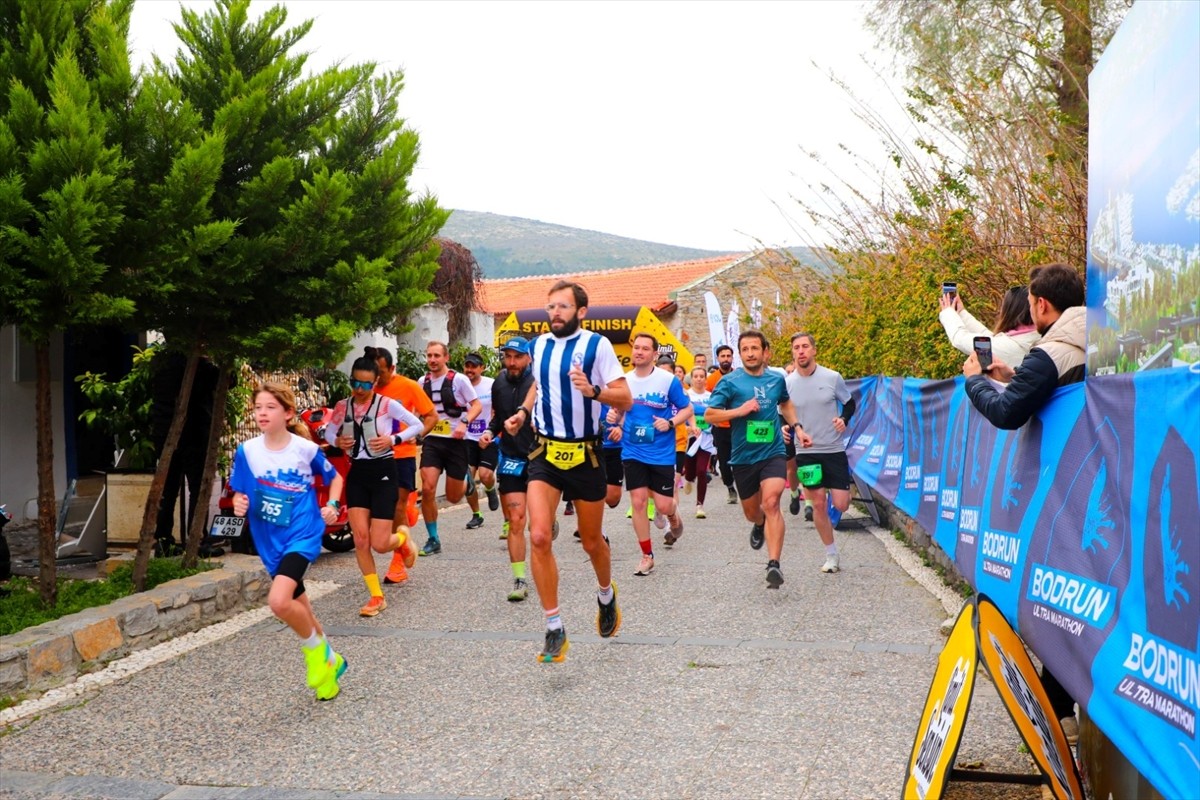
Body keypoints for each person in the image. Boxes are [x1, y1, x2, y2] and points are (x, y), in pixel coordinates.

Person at [963, 262, 1086, 742]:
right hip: (1094, 489)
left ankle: (1059, 712)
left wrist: (976, 380)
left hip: (1065, 496)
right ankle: (1058, 705)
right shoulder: (1090, 339)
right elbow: (1052, 383)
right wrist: (1015, 374)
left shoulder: (1051, 350)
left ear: (1038, 304)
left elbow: (1008, 411)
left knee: (1060, 602)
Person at [503, 280, 631, 663]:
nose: (555, 313)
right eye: (550, 307)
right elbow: (537, 388)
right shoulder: (538, 346)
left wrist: (593, 391)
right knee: (539, 536)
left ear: (581, 311)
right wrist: (523, 413)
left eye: (562, 307)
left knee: (592, 542)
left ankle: (606, 595)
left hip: (586, 454)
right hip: (544, 451)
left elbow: (624, 396)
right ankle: (554, 627)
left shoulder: (598, 346)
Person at [230, 382, 347, 700]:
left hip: (302, 533)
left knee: (280, 602)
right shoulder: (247, 451)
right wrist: (240, 501)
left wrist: (332, 506)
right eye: (258, 408)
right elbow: (240, 490)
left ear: (288, 413)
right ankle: (332, 664)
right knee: (302, 608)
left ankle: (314, 654)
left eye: (270, 407)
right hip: (269, 540)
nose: (262, 413)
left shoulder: (304, 449)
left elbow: (334, 478)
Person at [328, 353, 426, 617]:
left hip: (384, 471)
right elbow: (328, 430)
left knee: (381, 544)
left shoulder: (387, 404)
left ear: (375, 382)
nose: (360, 390)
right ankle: (376, 596)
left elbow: (416, 425)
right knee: (361, 540)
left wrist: (393, 439)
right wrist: (337, 442)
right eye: (355, 383)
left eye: (366, 384)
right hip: (358, 473)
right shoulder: (342, 406)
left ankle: (404, 539)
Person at [705, 331, 804, 589]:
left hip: (772, 452)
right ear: (740, 354)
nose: (750, 353)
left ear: (765, 352)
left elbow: (785, 404)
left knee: (771, 502)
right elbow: (710, 415)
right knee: (753, 512)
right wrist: (741, 410)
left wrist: (797, 427)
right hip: (743, 458)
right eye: (745, 349)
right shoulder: (730, 382)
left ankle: (774, 564)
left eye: (754, 348)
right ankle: (759, 524)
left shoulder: (776, 379)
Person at [615, 334, 692, 576]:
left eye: (644, 348)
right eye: (636, 347)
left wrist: (669, 423)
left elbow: (687, 408)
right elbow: (617, 412)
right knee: (638, 502)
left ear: (654, 354)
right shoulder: (623, 381)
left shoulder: (668, 380)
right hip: (633, 449)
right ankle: (647, 555)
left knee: (663, 503)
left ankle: (672, 512)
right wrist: (614, 420)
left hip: (661, 452)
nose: (638, 352)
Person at [786, 333, 856, 574]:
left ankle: (832, 493)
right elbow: (782, 412)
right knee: (817, 504)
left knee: (841, 503)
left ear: (814, 350)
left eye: (805, 346)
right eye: (796, 348)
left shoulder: (832, 377)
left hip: (833, 449)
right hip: (806, 451)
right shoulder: (787, 383)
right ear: (793, 353)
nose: (801, 351)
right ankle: (831, 554)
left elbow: (849, 403)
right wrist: (786, 428)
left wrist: (843, 419)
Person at [371, 346, 437, 584]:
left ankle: (398, 563)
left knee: (397, 506)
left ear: (392, 368)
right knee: (375, 511)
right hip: (372, 458)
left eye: (380, 372)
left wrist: (418, 437)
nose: (376, 378)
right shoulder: (365, 389)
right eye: (372, 372)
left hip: (401, 455)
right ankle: (409, 517)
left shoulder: (408, 386)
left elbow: (431, 416)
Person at [479, 339, 536, 601]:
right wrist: (490, 432)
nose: (511, 362)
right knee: (516, 520)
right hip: (512, 457)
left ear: (529, 358)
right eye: (508, 356)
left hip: (540, 458)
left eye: (518, 357)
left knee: (538, 525)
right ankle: (520, 578)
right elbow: (496, 417)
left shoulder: (539, 382)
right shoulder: (498, 383)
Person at [149, 352, 222, 556]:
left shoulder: (159, 361)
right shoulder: (200, 364)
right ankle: (197, 541)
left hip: (165, 433)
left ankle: (163, 542)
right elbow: (225, 380)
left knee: (168, 490)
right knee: (199, 488)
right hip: (195, 434)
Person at [417, 341, 483, 555]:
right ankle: (433, 538)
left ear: (446, 357)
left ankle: (466, 480)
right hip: (433, 441)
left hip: (456, 442)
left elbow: (477, 405)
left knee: (454, 497)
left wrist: (464, 423)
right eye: (429, 356)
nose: (432, 360)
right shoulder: (422, 382)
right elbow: (414, 409)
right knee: (427, 489)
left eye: (437, 355)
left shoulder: (459, 380)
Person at [940, 284, 1040, 367]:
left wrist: (948, 312)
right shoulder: (1032, 338)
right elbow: (989, 338)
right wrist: (961, 313)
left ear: (1010, 311)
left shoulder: (1011, 347)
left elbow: (960, 339)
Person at [462, 352, 501, 530]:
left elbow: (497, 409)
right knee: (467, 481)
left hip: (486, 436)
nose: (470, 370)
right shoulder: (459, 384)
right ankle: (476, 514)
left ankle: (491, 489)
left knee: (485, 475)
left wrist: (493, 430)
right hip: (466, 438)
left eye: (473, 366)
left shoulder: (490, 385)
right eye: (467, 366)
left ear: (482, 368)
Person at [706, 344, 739, 504]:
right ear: (718, 358)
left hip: (738, 425)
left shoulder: (740, 376)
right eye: (723, 356)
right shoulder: (711, 380)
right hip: (720, 426)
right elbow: (708, 402)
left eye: (728, 356)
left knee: (740, 458)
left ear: (732, 358)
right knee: (724, 461)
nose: (726, 359)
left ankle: (744, 486)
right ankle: (730, 487)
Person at [682, 366, 715, 518]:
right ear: (691, 379)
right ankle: (688, 479)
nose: (699, 379)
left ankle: (699, 505)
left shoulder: (711, 396)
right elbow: (681, 413)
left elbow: (715, 414)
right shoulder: (686, 395)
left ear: (705, 379)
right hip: (689, 437)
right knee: (690, 469)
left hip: (706, 438)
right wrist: (688, 428)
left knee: (702, 470)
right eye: (696, 376)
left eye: (702, 376)